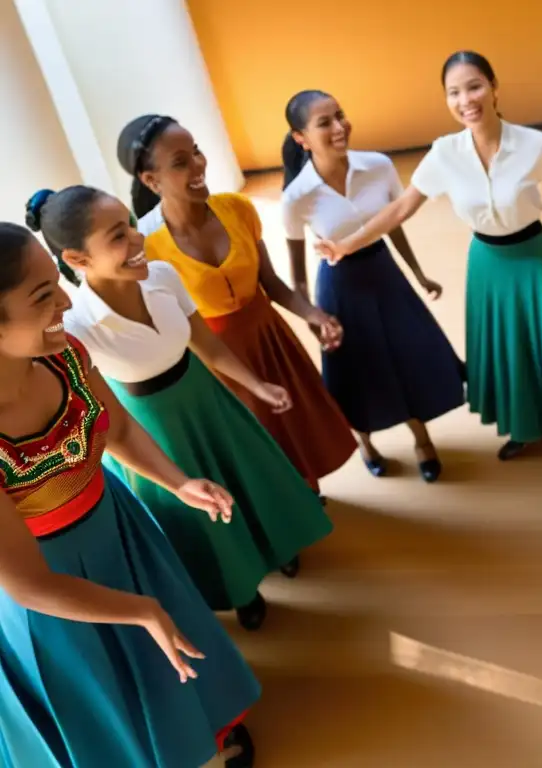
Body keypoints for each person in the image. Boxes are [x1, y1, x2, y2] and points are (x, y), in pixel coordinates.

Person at [0, 222, 259, 767]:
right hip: (50, 589)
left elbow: (114, 427)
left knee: (168, 655)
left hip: (116, 527)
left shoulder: (62, 353)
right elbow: (25, 584)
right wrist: (138, 609)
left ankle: (202, 738)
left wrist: (178, 482)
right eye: (44, 296)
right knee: (103, 690)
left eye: (58, 284)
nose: (66, 303)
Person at [27, 184, 335, 631]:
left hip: (207, 399)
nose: (136, 240)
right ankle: (242, 588)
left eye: (131, 225)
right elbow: (100, 410)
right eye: (117, 236)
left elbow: (205, 342)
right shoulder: (77, 326)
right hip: (154, 427)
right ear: (77, 259)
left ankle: (277, 549)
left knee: (251, 483)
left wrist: (257, 385)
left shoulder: (163, 275)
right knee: (202, 514)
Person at [315, 51, 542, 460]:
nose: (466, 100)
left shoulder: (535, 144)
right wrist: (348, 243)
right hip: (486, 262)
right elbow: (402, 208)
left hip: (533, 257)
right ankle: (524, 427)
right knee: (506, 350)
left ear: (494, 88)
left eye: (474, 86)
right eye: (454, 92)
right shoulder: (444, 154)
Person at [116, 114, 357, 497]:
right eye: (180, 162)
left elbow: (271, 282)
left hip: (269, 337)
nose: (198, 165)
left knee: (293, 429)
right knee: (252, 444)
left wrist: (314, 314)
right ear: (151, 180)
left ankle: (305, 500)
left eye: (196, 151)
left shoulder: (238, 209)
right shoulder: (146, 243)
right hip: (212, 359)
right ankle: (285, 517)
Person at [281, 89, 465, 481]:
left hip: (384, 274)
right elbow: (296, 274)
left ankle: (422, 439)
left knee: (407, 356)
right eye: (323, 122)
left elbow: (392, 221)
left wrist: (417, 274)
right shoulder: (296, 197)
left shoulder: (377, 166)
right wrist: (314, 317)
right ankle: (366, 443)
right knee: (356, 372)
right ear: (301, 138)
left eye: (340, 115)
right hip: (340, 285)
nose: (339, 126)